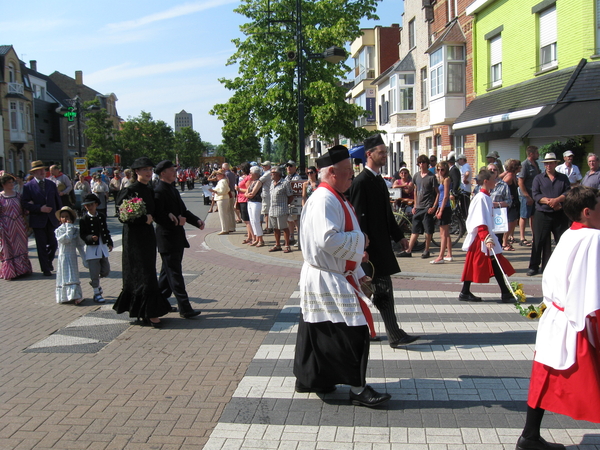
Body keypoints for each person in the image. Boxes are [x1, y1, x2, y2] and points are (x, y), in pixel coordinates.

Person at [293, 145, 391, 407]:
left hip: (330, 272)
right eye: (348, 171)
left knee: (317, 328)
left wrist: (358, 270)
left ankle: (310, 378)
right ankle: (358, 389)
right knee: (353, 332)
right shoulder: (325, 199)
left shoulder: (335, 196)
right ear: (332, 172)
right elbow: (328, 239)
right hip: (327, 276)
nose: (352, 175)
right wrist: (361, 240)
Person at [516, 186, 600, 450]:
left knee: (543, 378)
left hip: (556, 318)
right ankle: (529, 438)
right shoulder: (593, 238)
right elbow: (592, 289)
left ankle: (529, 437)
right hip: (577, 322)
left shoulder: (568, 233)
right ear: (587, 212)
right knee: (587, 384)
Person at [347, 134, 419, 348]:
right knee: (374, 291)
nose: (385, 155)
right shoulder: (360, 182)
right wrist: (361, 247)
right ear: (369, 154)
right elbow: (358, 217)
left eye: (386, 151)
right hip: (370, 250)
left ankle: (389, 332)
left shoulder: (379, 179)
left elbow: (387, 214)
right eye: (381, 152)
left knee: (378, 290)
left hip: (381, 247)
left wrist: (399, 236)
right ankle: (386, 333)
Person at [113, 157, 172, 329]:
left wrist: (168, 216)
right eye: (144, 169)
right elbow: (122, 215)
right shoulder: (130, 190)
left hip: (147, 235)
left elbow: (156, 211)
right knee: (141, 271)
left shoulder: (150, 188)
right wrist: (141, 218)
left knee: (148, 269)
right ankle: (150, 313)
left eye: (150, 169)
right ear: (136, 172)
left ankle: (147, 310)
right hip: (134, 237)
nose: (148, 172)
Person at [153, 160, 203, 318]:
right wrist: (174, 221)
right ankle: (185, 308)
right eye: (171, 170)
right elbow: (158, 215)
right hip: (167, 238)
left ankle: (159, 303)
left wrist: (196, 221)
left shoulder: (171, 188)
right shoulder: (159, 190)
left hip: (176, 237)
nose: (175, 172)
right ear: (163, 173)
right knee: (175, 274)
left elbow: (183, 211)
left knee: (167, 275)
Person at [459, 168, 515, 303]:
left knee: (493, 262)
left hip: (484, 235)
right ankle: (505, 293)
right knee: (490, 262)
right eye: (493, 179)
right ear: (486, 181)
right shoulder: (481, 198)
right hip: (481, 237)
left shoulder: (485, 197)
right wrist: (486, 237)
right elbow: (480, 219)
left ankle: (466, 291)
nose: (495, 182)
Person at [527, 153, 570, 277]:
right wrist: (550, 201)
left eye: (551, 163)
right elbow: (535, 194)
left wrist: (557, 200)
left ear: (556, 164)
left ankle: (563, 266)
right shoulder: (538, 178)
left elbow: (568, 192)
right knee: (538, 241)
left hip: (559, 213)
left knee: (561, 241)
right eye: (546, 163)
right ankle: (534, 266)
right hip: (542, 213)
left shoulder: (563, 177)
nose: (548, 165)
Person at [21, 160, 62, 276]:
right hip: (38, 220)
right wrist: (39, 208)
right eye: (38, 171)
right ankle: (45, 269)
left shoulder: (51, 184)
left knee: (54, 243)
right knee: (41, 245)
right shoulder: (28, 186)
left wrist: (61, 216)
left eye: (43, 170)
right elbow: (24, 203)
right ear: (33, 173)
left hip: (52, 218)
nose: (41, 172)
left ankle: (48, 261)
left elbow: (57, 201)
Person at [397, 154, 439, 259]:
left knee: (428, 230)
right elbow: (415, 190)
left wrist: (434, 206)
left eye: (423, 162)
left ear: (427, 163)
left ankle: (427, 250)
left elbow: (437, 193)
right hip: (418, 207)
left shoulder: (431, 177)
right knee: (414, 230)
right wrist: (415, 205)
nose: (421, 165)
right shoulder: (416, 176)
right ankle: (409, 250)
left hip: (427, 207)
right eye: (419, 163)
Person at [79, 194, 113, 304]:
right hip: (92, 249)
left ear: (96, 204)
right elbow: (83, 234)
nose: (89, 207)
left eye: (91, 205)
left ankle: (95, 283)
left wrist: (109, 242)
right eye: (87, 205)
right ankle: (96, 293)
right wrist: (90, 238)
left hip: (102, 247)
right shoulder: (84, 219)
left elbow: (105, 230)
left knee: (106, 270)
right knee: (94, 272)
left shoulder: (101, 216)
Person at [0, 173, 32, 280]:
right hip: (6, 225)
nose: (12, 184)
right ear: (3, 184)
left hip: (19, 224)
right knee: (9, 247)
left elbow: (24, 210)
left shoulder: (18, 195)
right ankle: (11, 271)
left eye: (12, 182)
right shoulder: (1, 197)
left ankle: (23, 269)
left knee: (21, 245)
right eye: (9, 182)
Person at [55, 206, 86, 304]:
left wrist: (84, 257)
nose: (65, 219)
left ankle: (75, 296)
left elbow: (80, 244)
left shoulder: (75, 230)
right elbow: (65, 239)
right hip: (63, 256)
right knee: (64, 275)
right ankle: (64, 296)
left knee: (73, 275)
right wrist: (68, 229)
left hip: (72, 256)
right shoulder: (58, 230)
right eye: (63, 217)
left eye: (67, 216)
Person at [518, 146, 541, 247]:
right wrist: (526, 196)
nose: (538, 155)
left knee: (534, 216)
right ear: (531, 154)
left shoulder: (535, 164)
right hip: (526, 195)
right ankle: (522, 238)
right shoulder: (525, 165)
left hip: (535, 194)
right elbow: (520, 181)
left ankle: (534, 236)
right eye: (536, 153)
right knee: (524, 216)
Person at [268, 166, 294, 253]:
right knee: (275, 228)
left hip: (281, 210)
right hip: (272, 209)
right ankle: (277, 245)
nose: (271, 174)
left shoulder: (285, 183)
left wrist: (285, 205)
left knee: (284, 228)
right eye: (271, 172)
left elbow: (290, 196)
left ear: (278, 174)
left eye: (273, 173)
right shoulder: (272, 183)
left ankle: (287, 245)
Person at [431, 161, 452, 264]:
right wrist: (437, 208)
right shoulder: (441, 179)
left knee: (443, 234)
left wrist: (441, 210)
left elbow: (446, 196)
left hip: (445, 208)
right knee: (446, 233)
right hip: (442, 207)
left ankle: (440, 256)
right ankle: (449, 254)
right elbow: (439, 195)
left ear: (446, 169)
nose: (440, 171)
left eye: (442, 169)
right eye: (438, 169)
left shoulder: (446, 179)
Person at [501, 159, 522, 251]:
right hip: (511, 203)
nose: (521, 167)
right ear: (515, 167)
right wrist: (508, 196)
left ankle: (505, 241)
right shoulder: (509, 176)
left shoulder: (513, 175)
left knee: (513, 222)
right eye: (519, 165)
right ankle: (504, 242)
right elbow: (501, 185)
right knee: (510, 223)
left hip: (515, 202)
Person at [245, 166, 265, 247]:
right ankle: (257, 238)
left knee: (256, 221)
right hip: (250, 202)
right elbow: (246, 192)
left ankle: (260, 239)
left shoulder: (259, 182)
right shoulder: (252, 182)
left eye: (251, 173)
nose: (249, 174)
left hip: (256, 202)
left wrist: (248, 194)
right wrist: (247, 194)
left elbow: (252, 193)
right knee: (252, 220)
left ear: (255, 174)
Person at [209, 169, 233, 235]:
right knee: (225, 214)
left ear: (222, 175)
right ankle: (226, 228)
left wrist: (214, 191)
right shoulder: (222, 181)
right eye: (216, 174)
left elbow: (222, 191)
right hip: (222, 198)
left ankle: (225, 229)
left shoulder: (222, 181)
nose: (216, 176)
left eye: (218, 174)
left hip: (222, 199)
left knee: (223, 214)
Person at [236, 163, 255, 245]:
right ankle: (249, 236)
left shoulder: (248, 178)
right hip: (241, 199)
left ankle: (253, 237)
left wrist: (238, 188)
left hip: (244, 199)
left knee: (247, 220)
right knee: (246, 220)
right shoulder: (247, 177)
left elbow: (248, 190)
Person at [285, 160, 301, 245]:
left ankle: (299, 238)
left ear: (295, 167)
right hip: (288, 202)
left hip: (295, 202)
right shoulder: (286, 178)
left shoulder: (297, 177)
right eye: (287, 166)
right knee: (289, 220)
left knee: (296, 221)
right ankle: (291, 237)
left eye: (291, 166)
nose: (288, 168)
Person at [222, 163, 237, 231]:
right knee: (231, 210)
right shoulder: (232, 173)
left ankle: (229, 227)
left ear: (224, 168)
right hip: (232, 191)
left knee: (228, 210)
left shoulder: (226, 175)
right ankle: (232, 226)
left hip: (228, 192)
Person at [259, 161, 273, 234]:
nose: (263, 167)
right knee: (267, 211)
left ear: (269, 166)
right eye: (262, 165)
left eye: (264, 165)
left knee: (266, 211)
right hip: (268, 193)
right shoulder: (268, 172)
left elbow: (259, 180)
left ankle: (268, 227)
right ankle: (269, 227)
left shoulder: (267, 173)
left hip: (267, 194)